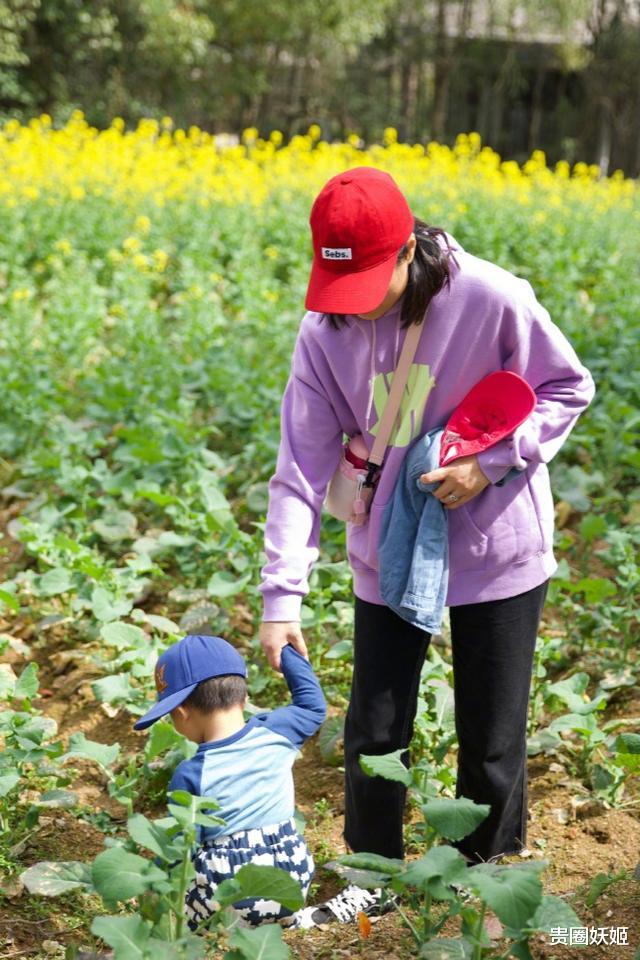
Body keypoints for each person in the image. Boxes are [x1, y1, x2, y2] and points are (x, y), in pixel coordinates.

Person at [258, 167, 596, 886]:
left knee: (492, 737)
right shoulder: (324, 329)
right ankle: (371, 878)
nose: (354, 306)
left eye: (367, 283)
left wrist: (491, 462)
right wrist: (281, 597)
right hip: (387, 543)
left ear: (409, 250)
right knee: (374, 731)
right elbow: (299, 470)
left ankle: (488, 881)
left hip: (496, 541)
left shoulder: (493, 298)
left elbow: (568, 386)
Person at [132, 633, 327, 929]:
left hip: (228, 895)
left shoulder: (192, 773)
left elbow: (181, 847)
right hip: (291, 883)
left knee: (171, 913)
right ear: (244, 697)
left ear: (181, 713)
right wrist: (285, 650)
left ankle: (192, 934)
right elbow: (313, 705)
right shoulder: (278, 732)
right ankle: (287, 919)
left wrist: (149, 885)